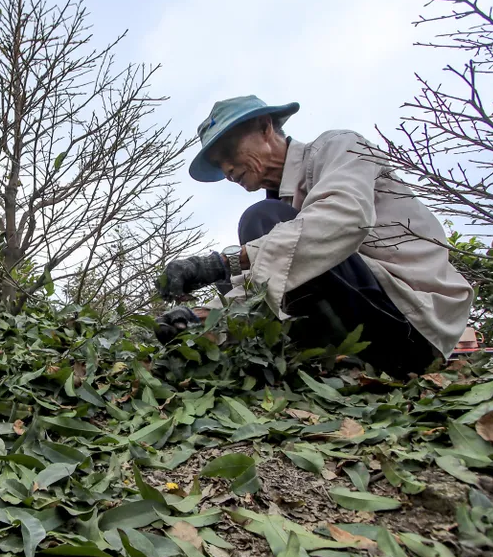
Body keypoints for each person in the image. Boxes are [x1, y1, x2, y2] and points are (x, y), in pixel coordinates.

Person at [155, 95, 474, 376]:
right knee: (257, 257)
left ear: (265, 127)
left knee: (260, 225)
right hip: (361, 322)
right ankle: (326, 362)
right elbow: (260, 280)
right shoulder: (282, 209)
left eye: (228, 151)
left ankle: (347, 359)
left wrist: (224, 262)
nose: (226, 169)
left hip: (411, 324)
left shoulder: (340, 147)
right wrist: (199, 319)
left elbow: (343, 219)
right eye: (218, 164)